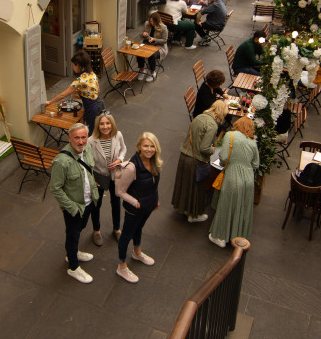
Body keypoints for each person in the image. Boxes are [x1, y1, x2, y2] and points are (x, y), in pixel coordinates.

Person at [50, 123, 99, 283]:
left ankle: (73, 252)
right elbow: (56, 189)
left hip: (88, 202)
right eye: (76, 138)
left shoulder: (88, 149)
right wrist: (72, 208)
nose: (80, 141)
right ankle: (73, 266)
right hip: (75, 206)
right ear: (69, 139)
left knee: (80, 229)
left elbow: (89, 170)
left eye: (83, 137)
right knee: (72, 235)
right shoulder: (61, 162)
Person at [115, 132, 162, 283]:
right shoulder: (132, 167)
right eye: (146, 146)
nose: (149, 149)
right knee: (126, 236)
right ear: (139, 147)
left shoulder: (154, 162)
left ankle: (137, 252)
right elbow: (119, 191)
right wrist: (136, 203)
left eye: (152, 146)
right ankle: (121, 266)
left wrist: (156, 199)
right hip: (135, 209)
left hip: (149, 205)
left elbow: (154, 183)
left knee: (138, 229)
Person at [171, 100, 229, 223]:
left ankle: (185, 209)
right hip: (196, 160)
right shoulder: (212, 125)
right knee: (196, 189)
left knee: (185, 186)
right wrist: (214, 150)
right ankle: (193, 215)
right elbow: (204, 148)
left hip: (184, 155)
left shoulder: (199, 117)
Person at [209, 117, 259, 248]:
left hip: (232, 175)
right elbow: (256, 163)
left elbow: (224, 157)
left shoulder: (230, 135)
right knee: (241, 208)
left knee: (226, 205)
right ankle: (237, 237)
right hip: (248, 178)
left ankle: (219, 236)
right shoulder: (252, 142)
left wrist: (226, 163)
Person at [88, 112, 127, 246]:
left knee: (116, 203)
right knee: (96, 204)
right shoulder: (91, 141)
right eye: (102, 124)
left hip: (114, 176)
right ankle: (96, 231)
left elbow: (123, 149)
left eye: (108, 123)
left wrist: (119, 160)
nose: (105, 126)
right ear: (97, 126)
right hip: (99, 176)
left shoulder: (118, 135)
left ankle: (117, 229)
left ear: (112, 124)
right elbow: (87, 161)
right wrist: (91, 178)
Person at [45, 50, 99, 136]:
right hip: (95, 106)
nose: (73, 68)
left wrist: (50, 102)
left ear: (78, 65)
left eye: (73, 65)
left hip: (89, 109)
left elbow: (63, 95)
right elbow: (97, 89)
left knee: (88, 133)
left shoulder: (79, 81)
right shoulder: (92, 74)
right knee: (90, 130)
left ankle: (86, 148)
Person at [137, 12, 168, 82]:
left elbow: (164, 40)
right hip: (148, 43)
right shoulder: (147, 24)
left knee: (152, 55)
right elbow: (141, 35)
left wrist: (154, 39)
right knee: (138, 52)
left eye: (153, 21)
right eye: (150, 21)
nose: (152, 23)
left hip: (159, 46)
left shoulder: (163, 27)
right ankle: (142, 70)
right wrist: (143, 34)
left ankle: (152, 72)